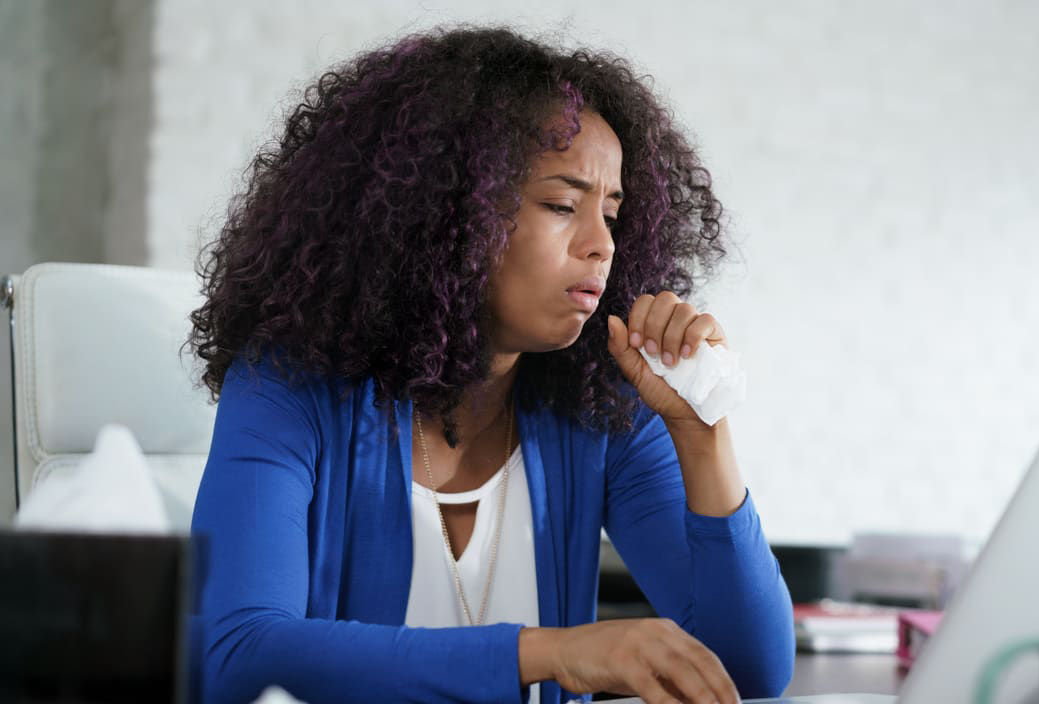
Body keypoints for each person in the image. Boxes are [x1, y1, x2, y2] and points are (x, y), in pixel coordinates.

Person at [188, 25, 793, 704]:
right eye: (562, 206)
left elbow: (749, 669)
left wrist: (701, 431)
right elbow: (236, 655)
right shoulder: (288, 389)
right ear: (446, 213)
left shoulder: (599, 409)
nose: (601, 246)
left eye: (613, 216)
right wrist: (549, 653)